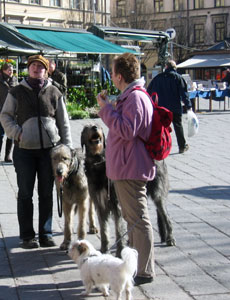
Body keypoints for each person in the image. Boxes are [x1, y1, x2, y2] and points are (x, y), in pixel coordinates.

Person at [0, 55, 72, 249]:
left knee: (46, 193)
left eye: (40, 66)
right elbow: (5, 116)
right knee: (25, 193)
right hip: (24, 151)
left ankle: (46, 233)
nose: (36, 69)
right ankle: (27, 236)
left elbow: (63, 123)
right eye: (33, 65)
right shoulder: (16, 91)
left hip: (50, 152)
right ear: (28, 68)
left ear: (46, 70)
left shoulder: (55, 92)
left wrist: (67, 148)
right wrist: (17, 133)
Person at [96, 53, 156, 285]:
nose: (111, 77)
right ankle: (136, 266)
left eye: (112, 73)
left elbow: (127, 129)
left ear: (120, 76)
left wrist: (105, 109)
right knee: (133, 219)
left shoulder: (135, 98)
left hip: (131, 167)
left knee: (138, 219)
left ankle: (144, 270)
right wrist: (112, 106)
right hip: (127, 165)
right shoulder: (131, 96)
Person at [147, 60, 192, 154]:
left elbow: (149, 90)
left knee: (161, 128)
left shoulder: (158, 77)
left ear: (166, 67)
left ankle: (160, 146)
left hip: (162, 108)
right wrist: (188, 106)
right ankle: (182, 146)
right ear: (175, 68)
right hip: (175, 107)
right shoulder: (178, 78)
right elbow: (184, 94)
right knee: (178, 126)